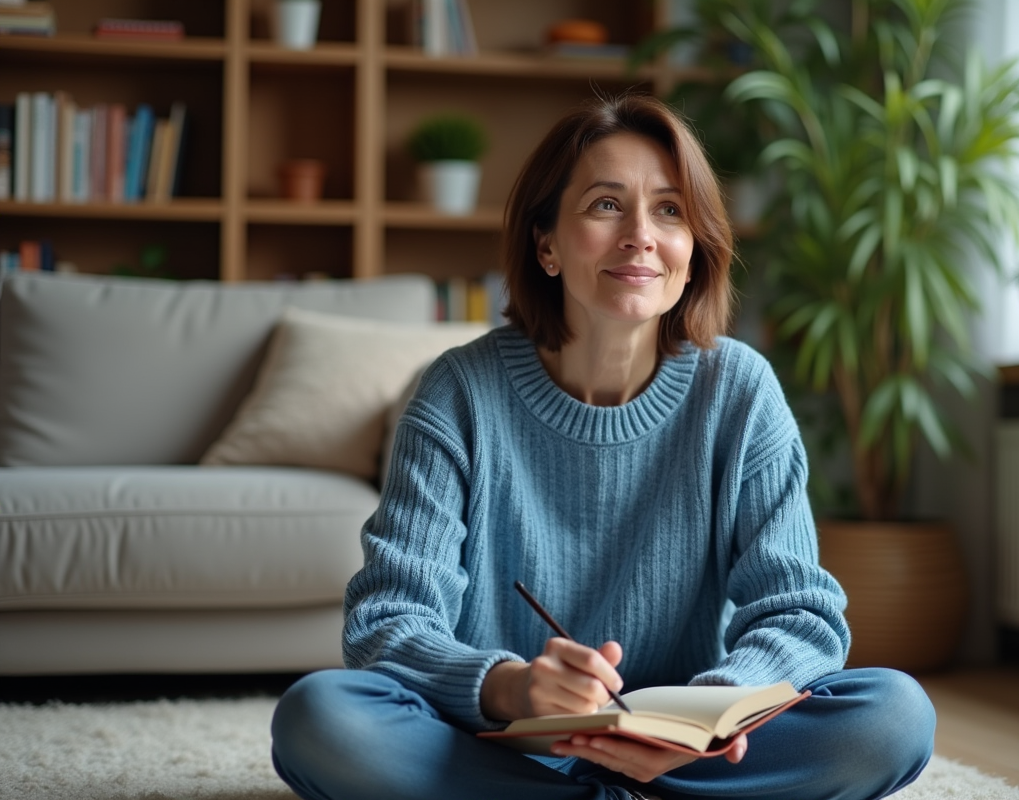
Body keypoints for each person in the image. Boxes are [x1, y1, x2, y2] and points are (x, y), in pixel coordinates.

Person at [270, 92, 935, 800]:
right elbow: (387, 619)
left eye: (671, 210)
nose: (641, 235)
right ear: (546, 244)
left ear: (693, 250)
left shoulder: (739, 390)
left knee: (892, 715)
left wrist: (710, 715)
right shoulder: (460, 392)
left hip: (687, 757)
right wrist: (512, 687)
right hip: (503, 746)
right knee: (320, 717)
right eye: (606, 205)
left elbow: (798, 613)